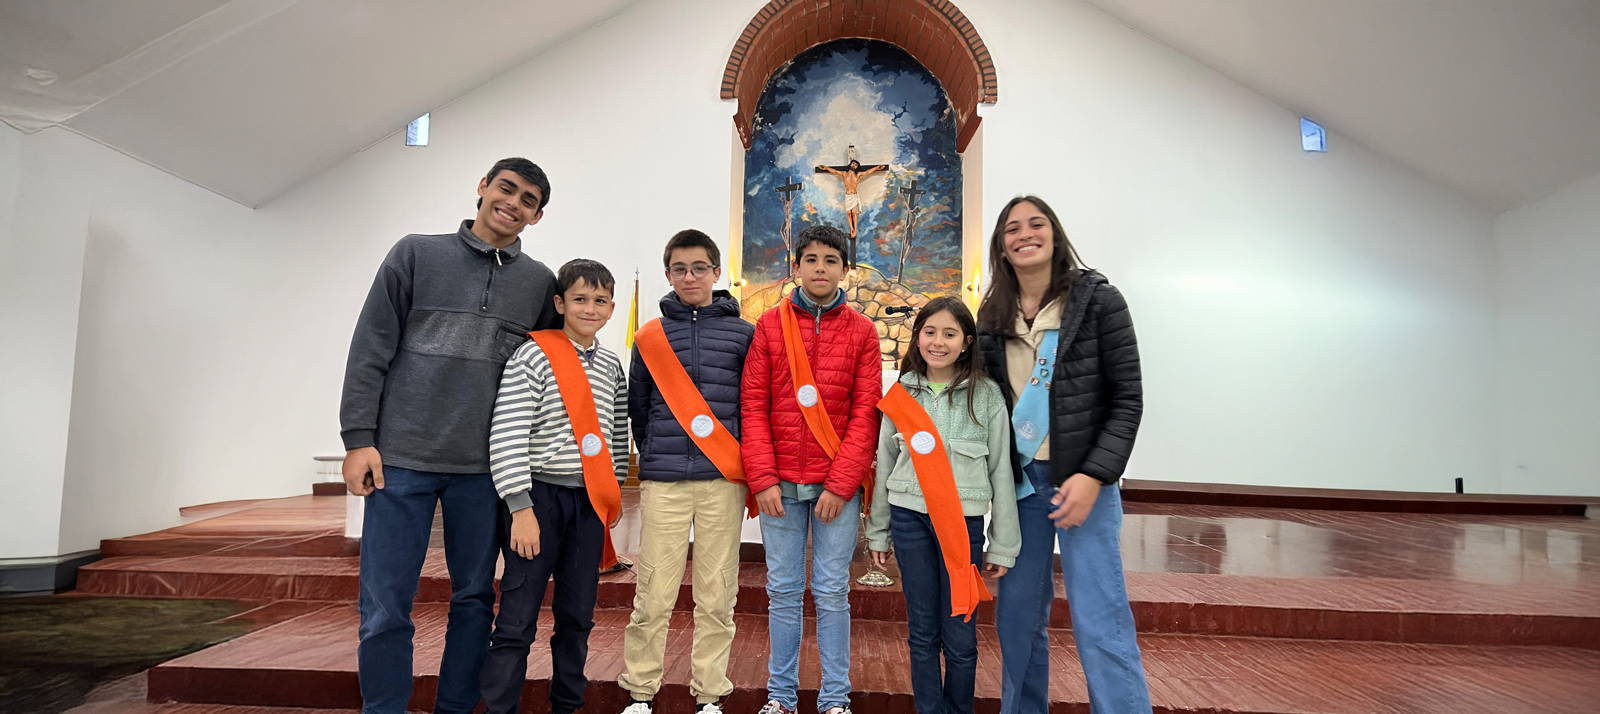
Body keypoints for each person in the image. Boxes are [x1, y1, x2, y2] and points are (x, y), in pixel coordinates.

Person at [340, 157, 558, 714]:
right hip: (400, 460)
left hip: (483, 472)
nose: (512, 203)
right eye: (506, 189)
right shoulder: (416, 253)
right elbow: (371, 346)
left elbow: (549, 374)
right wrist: (358, 438)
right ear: (482, 187)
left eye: (528, 200)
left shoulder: (539, 284)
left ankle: (455, 709)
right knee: (385, 606)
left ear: (536, 217)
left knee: (474, 600)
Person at [976, 196, 1151, 714]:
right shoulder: (993, 314)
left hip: (1083, 482)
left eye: (1037, 224)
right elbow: (988, 403)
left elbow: (1127, 399)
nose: (1025, 234)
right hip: (1022, 486)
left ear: (1055, 234)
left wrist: (1095, 475)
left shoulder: (1098, 301)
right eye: (1012, 228)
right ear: (1001, 246)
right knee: (1017, 617)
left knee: (1100, 618)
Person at [741, 225, 883, 714]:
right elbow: (753, 406)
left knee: (831, 591)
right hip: (778, 485)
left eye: (830, 260)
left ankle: (835, 699)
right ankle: (780, 697)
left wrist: (841, 485)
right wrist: (762, 479)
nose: (820, 268)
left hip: (834, 489)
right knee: (782, 590)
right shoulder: (769, 325)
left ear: (845, 269)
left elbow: (866, 414)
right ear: (796, 266)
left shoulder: (863, 332)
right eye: (811, 259)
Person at [481, 259, 629, 714]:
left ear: (612, 308)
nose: (590, 309)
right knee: (517, 618)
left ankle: (568, 705)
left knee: (577, 616)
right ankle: (501, 708)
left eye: (600, 301)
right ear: (560, 303)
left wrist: (611, 493)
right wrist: (519, 507)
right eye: (580, 299)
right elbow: (508, 432)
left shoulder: (611, 365)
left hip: (588, 504)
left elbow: (616, 436)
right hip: (538, 500)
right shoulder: (533, 355)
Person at [617, 230, 756, 714]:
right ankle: (640, 691)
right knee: (653, 590)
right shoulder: (650, 336)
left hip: (723, 479)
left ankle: (710, 694)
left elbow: (751, 405)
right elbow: (639, 407)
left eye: (699, 268)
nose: (690, 277)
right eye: (680, 269)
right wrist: (657, 453)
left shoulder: (744, 334)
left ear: (716, 272)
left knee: (717, 593)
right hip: (665, 481)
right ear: (668, 274)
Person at [866, 296, 1020, 714]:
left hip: (961, 524)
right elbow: (885, 467)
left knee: (960, 632)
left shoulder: (986, 396)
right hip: (909, 520)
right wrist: (878, 531)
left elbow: (1001, 471)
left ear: (967, 342)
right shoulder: (901, 393)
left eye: (949, 334)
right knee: (922, 631)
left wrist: (1003, 543)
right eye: (929, 332)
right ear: (917, 337)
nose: (938, 342)